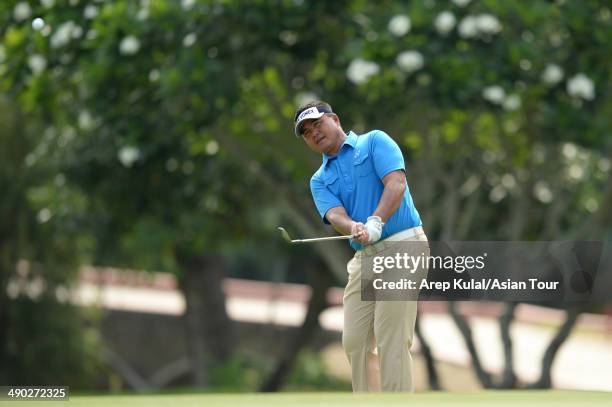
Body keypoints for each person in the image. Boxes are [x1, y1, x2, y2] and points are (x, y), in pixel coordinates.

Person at [293, 100, 429, 392]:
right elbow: (334, 214)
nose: (313, 133)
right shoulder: (320, 180)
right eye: (306, 132)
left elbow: (396, 184)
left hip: (403, 246)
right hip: (365, 259)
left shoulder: (374, 142)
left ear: (336, 119)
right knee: (354, 341)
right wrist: (353, 226)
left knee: (390, 336)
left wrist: (375, 221)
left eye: (317, 124)